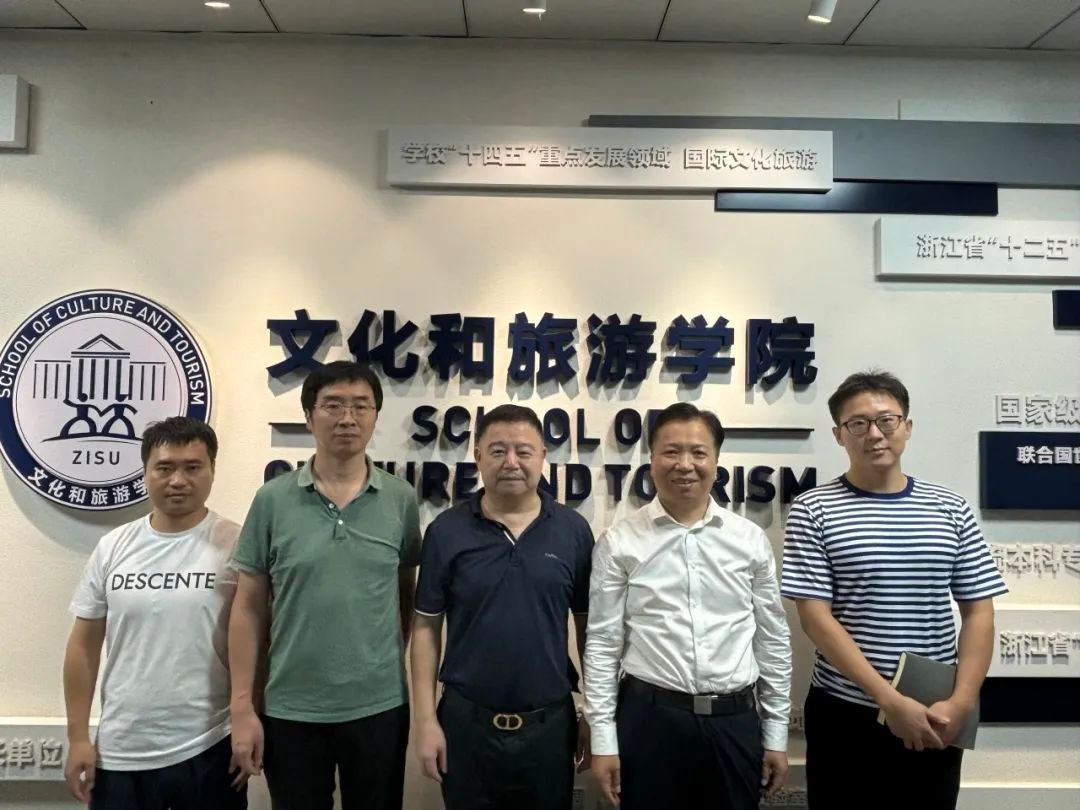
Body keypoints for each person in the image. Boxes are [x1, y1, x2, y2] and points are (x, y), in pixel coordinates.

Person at [782, 369, 1007, 810]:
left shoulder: (950, 508)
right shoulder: (813, 509)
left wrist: (962, 701)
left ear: (907, 426)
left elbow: (979, 611)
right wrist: (889, 700)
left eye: (887, 420)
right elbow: (815, 618)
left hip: (937, 709)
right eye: (857, 424)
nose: (874, 433)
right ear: (838, 435)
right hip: (845, 709)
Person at [228, 360, 420, 810]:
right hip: (290, 707)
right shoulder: (272, 500)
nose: (347, 418)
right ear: (309, 416)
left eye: (360, 406)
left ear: (375, 416)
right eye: (333, 405)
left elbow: (404, 595)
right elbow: (248, 607)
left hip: (379, 707)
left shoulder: (400, 499)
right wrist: (242, 705)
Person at [585, 402, 791, 810]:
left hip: (735, 722)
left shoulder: (749, 540)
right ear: (651, 460)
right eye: (671, 451)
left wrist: (776, 735)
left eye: (698, 452)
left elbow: (773, 640)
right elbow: (603, 644)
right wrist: (603, 741)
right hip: (650, 722)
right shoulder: (620, 541)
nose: (685, 464)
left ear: (716, 461)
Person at [411, 404, 593, 810]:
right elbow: (425, 629)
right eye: (498, 451)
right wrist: (424, 721)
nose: (511, 462)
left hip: (550, 727)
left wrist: (595, 715)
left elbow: (590, 631)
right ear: (478, 456)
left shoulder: (573, 531)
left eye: (523, 451)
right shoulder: (447, 531)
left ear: (543, 456)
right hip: (466, 725)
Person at [63, 417, 246, 809]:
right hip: (121, 750)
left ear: (212, 470)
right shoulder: (113, 546)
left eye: (192, 467)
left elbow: (257, 640)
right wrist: (78, 737)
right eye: (165, 468)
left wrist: (248, 719)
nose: (178, 480)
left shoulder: (237, 544)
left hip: (210, 744)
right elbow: (82, 646)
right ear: (145, 472)